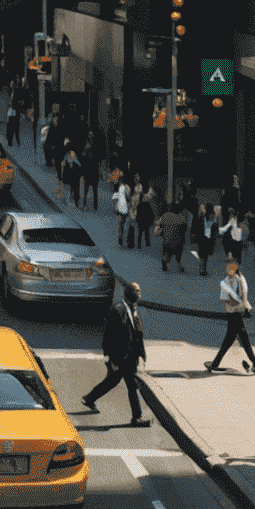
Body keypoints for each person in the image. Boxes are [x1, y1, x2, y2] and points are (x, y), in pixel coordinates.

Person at [81, 281, 150, 426]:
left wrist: (141, 354)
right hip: (121, 357)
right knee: (132, 386)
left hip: (129, 357)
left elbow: (137, 334)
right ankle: (137, 418)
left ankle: (89, 398)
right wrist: (112, 359)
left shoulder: (133, 309)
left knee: (113, 381)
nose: (137, 294)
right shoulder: (118, 310)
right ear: (126, 293)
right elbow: (109, 337)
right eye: (134, 291)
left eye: (138, 291)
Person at [205, 257, 255, 374]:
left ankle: (216, 363)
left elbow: (226, 298)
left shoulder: (228, 280)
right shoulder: (242, 278)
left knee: (232, 339)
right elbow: (244, 295)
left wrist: (233, 305)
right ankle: (254, 361)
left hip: (234, 313)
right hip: (239, 311)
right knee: (238, 337)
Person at [156, 199, 188, 273]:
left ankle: (165, 261)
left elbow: (160, 225)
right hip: (177, 240)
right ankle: (179, 265)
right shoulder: (181, 218)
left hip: (166, 239)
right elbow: (184, 230)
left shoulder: (165, 216)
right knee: (178, 255)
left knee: (167, 252)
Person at [114, 177, 132, 246]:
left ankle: (120, 241)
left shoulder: (121, 188)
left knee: (121, 225)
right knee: (125, 225)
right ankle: (125, 241)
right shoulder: (128, 188)